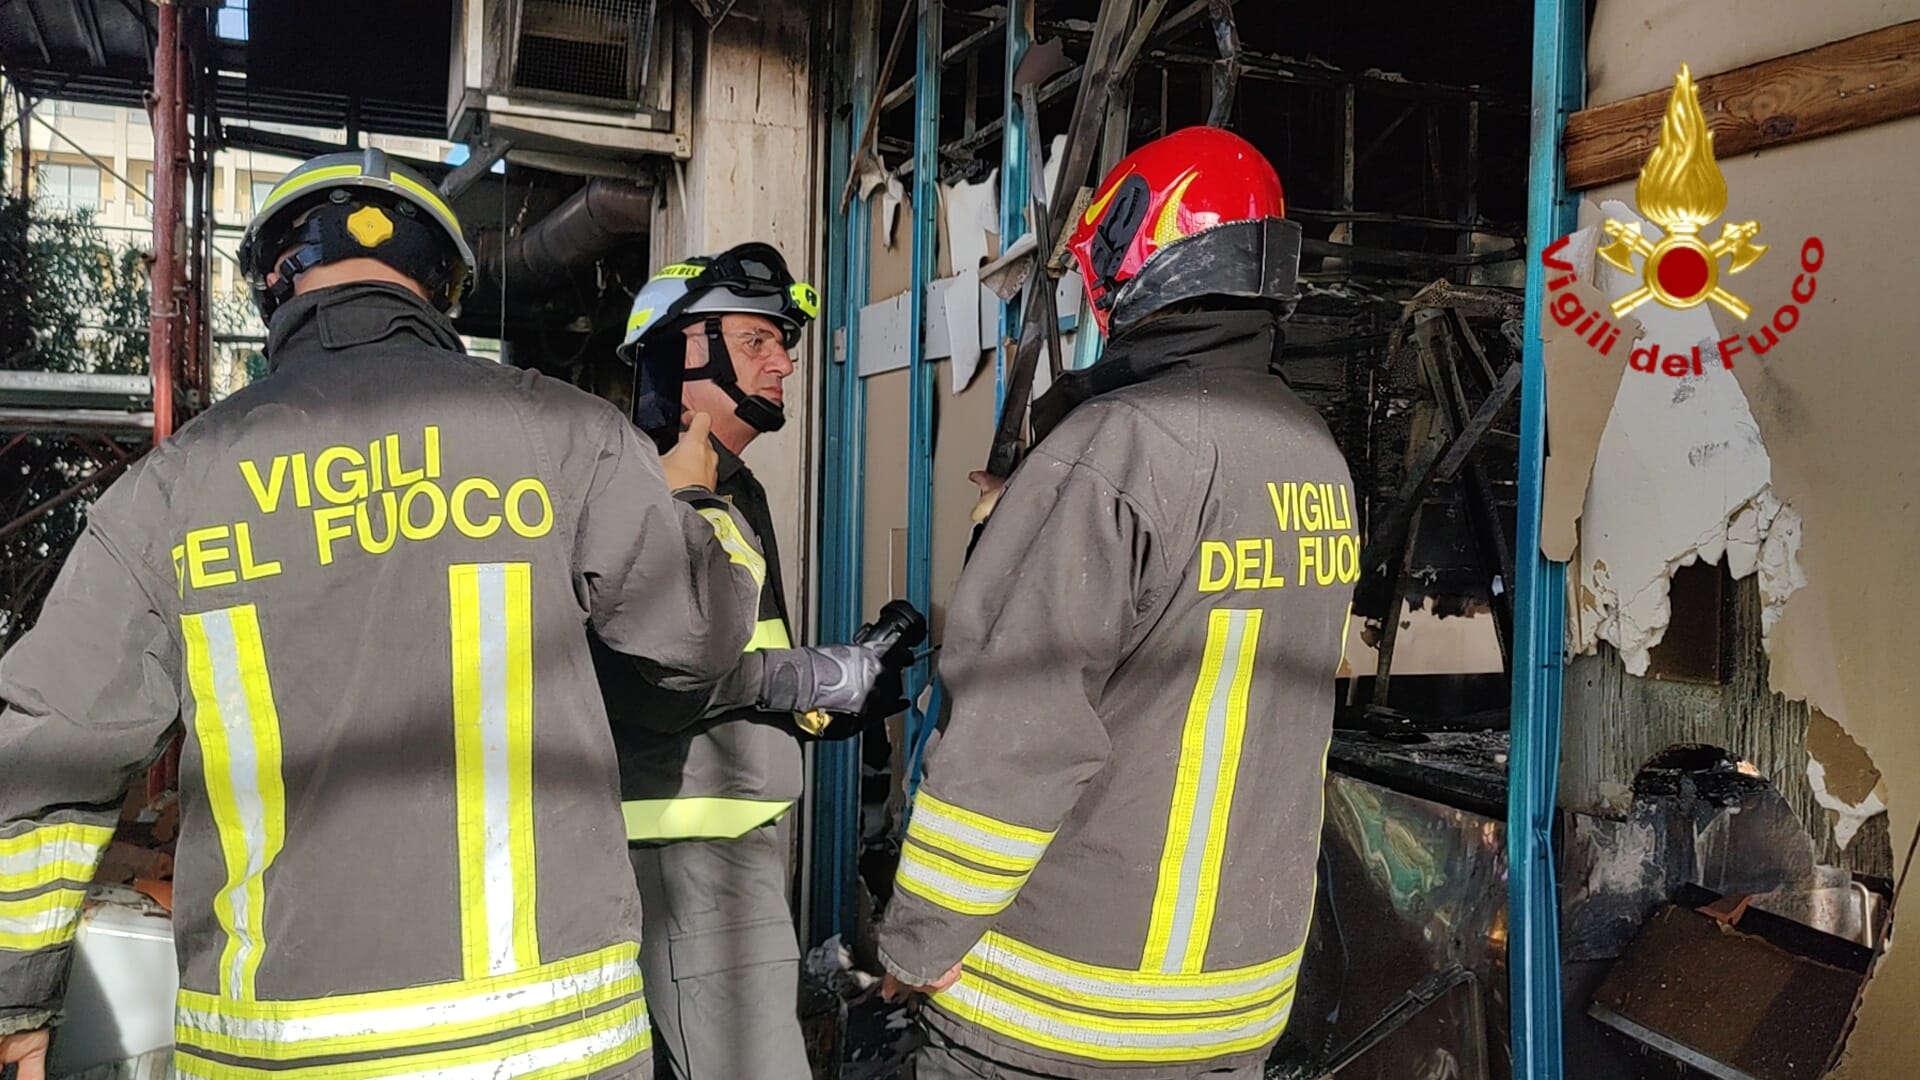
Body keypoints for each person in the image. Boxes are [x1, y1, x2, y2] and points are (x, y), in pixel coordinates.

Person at [0, 149, 765, 1080]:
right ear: (439, 286)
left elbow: (50, 754)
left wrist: (18, 1004)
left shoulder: (172, 488)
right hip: (545, 1052)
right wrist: (700, 507)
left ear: (275, 288)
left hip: (282, 1055)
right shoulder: (564, 433)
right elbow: (697, 640)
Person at [875, 126, 1360, 1079]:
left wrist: (915, 945)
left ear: (1140, 254)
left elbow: (1017, 734)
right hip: (1234, 1005)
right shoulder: (1315, 455)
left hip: (1058, 1006)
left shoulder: (1118, 449)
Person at [598, 243, 911, 1080]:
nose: (785, 363)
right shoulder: (643, 487)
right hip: (688, 848)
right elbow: (646, 676)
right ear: (678, 353)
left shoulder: (730, 484)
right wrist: (805, 677)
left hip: (722, 830)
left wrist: (824, 704)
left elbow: (733, 652)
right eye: (755, 342)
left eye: (784, 343)